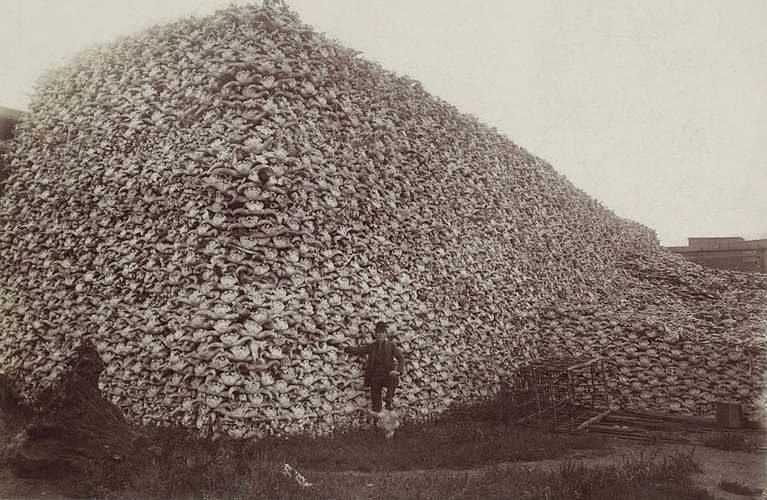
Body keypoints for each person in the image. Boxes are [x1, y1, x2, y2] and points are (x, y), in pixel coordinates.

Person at [345, 321, 405, 411]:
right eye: (378, 333)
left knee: (394, 377)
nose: (380, 335)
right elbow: (358, 350)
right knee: (376, 406)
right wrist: (346, 347)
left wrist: (398, 371)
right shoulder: (371, 346)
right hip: (375, 378)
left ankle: (388, 401)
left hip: (387, 375)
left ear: (385, 334)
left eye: (382, 333)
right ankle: (378, 423)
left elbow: (401, 358)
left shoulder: (391, 345)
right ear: (375, 334)